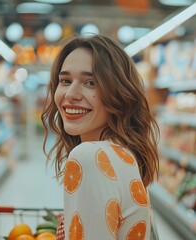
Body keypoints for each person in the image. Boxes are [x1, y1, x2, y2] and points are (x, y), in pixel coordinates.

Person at [42, 34, 159, 240]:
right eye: (65, 80)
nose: (71, 94)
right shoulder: (124, 153)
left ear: (119, 94)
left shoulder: (89, 156)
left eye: (90, 82)